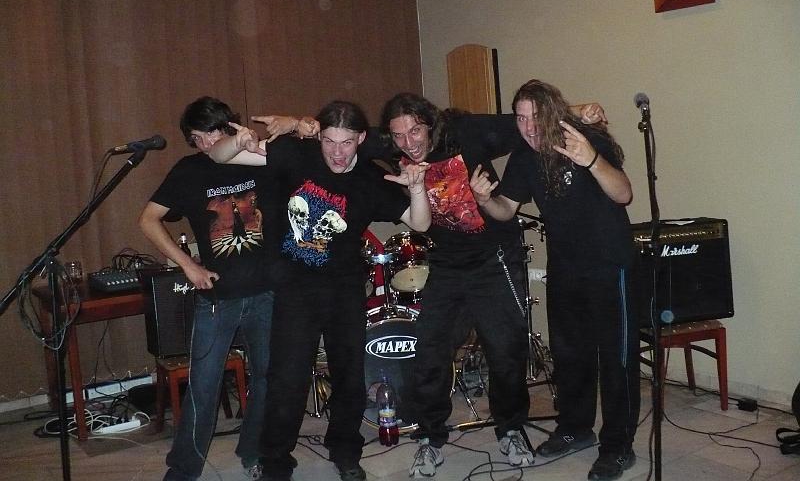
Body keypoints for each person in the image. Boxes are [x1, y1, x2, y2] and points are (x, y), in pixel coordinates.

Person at [370, 93, 607, 478]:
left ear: (430, 124)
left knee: (505, 350)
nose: (408, 142)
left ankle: (510, 429)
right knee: (430, 349)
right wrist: (302, 126)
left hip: (494, 259)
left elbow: (521, 123)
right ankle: (430, 436)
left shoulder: (465, 131)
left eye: (415, 131)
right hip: (445, 263)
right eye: (398, 135)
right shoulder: (392, 146)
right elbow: (344, 137)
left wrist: (579, 111)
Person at [209, 100, 431, 481]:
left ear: (361, 139)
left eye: (346, 143)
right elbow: (218, 155)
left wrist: (417, 187)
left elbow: (420, 223)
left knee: (349, 377)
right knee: (287, 379)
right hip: (296, 288)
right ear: (319, 137)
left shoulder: (371, 179)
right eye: (329, 141)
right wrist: (238, 141)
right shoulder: (298, 154)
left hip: (345, 289)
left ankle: (345, 449)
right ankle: (276, 461)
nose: (337, 153)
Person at [469, 80, 638, 481]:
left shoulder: (586, 138)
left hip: (609, 264)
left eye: (534, 117)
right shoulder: (523, 158)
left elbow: (624, 194)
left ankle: (618, 447)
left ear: (552, 114)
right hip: (565, 268)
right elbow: (506, 209)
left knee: (616, 360)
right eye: (520, 118)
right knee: (570, 355)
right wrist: (483, 200)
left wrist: (592, 160)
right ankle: (575, 429)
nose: (528, 127)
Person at [139, 96, 285, 481]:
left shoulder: (256, 160)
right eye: (197, 138)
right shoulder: (188, 171)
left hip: (267, 293)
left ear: (228, 127)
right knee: (203, 387)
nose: (205, 144)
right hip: (218, 299)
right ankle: (183, 470)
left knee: (268, 379)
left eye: (211, 134)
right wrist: (187, 265)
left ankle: (253, 450)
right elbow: (148, 219)